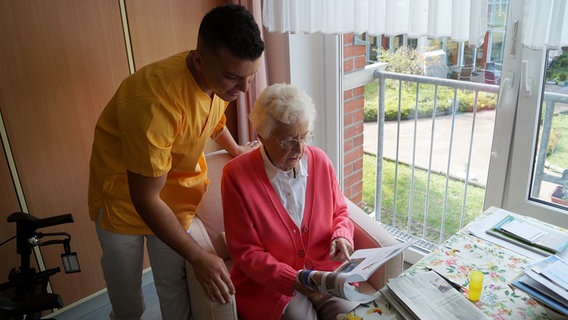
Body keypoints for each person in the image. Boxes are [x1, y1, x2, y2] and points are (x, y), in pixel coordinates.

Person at [87, 4, 264, 319]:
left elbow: (212, 120)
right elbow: (145, 197)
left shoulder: (213, 78)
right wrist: (198, 256)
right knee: (128, 301)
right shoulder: (156, 102)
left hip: (175, 195)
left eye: (249, 77)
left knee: (173, 290)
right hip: (123, 201)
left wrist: (235, 148)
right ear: (198, 60)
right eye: (233, 78)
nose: (243, 89)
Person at [221, 83, 359, 320]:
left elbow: (340, 212)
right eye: (287, 141)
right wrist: (293, 280)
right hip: (270, 284)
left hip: (324, 275)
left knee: (353, 316)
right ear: (261, 136)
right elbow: (246, 251)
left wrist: (341, 235)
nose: (299, 150)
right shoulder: (235, 176)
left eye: (304, 137)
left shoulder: (320, 161)